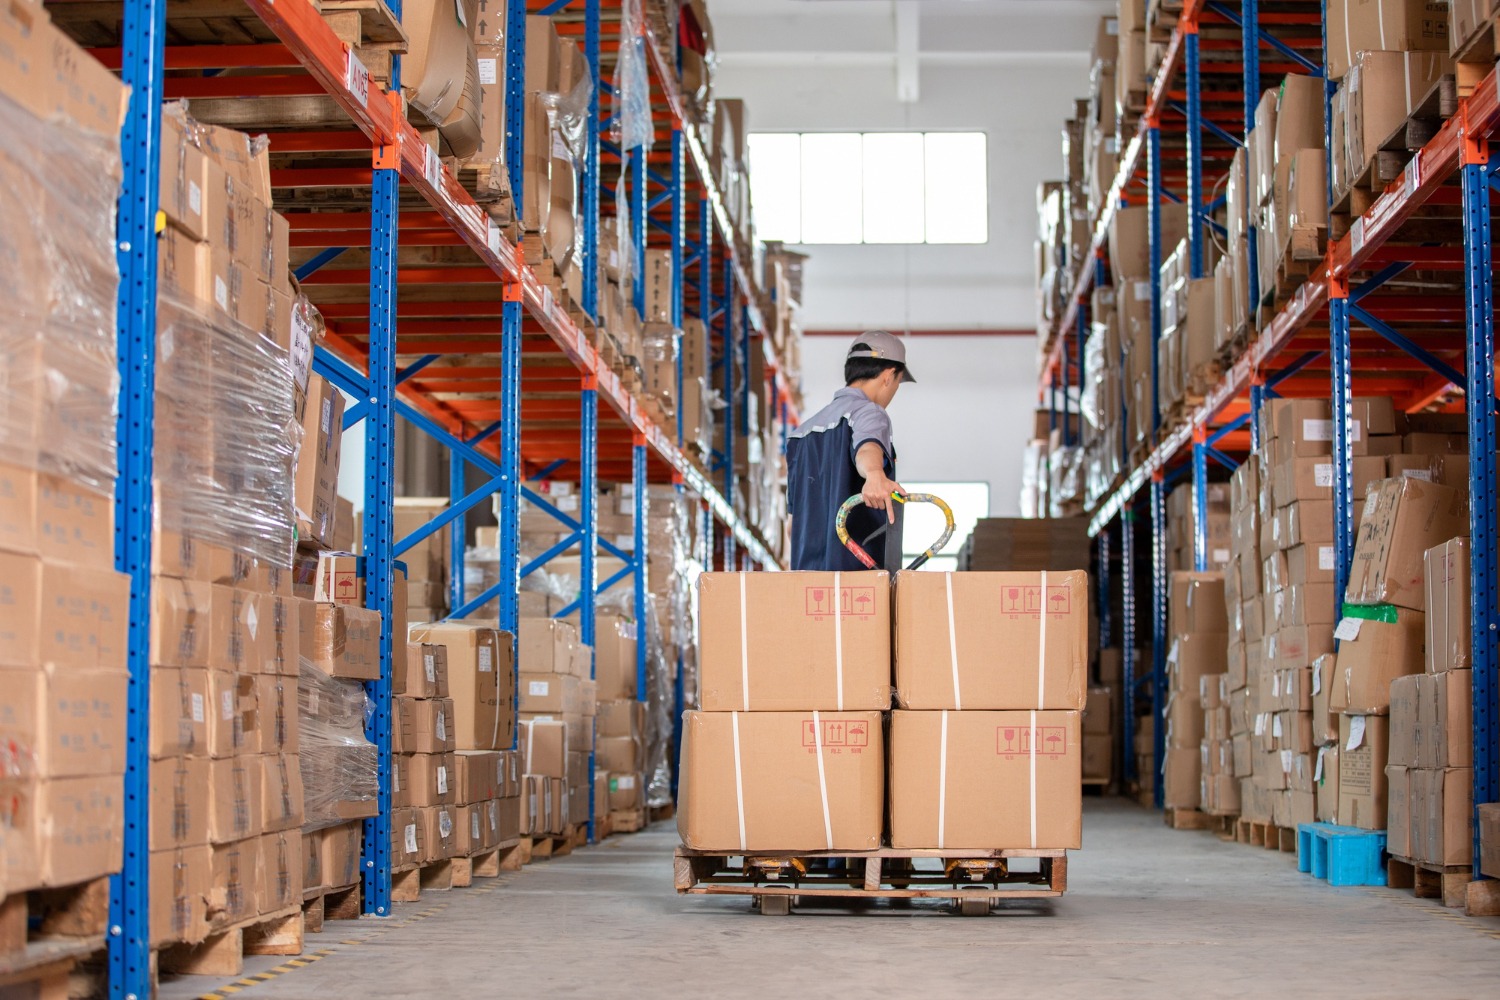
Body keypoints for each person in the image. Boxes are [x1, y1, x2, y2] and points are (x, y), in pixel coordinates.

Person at [786, 331, 915, 573]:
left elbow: (792, 527)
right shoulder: (869, 412)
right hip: (858, 581)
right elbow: (867, 446)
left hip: (807, 582)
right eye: (898, 382)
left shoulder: (800, 435)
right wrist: (874, 474)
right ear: (888, 376)